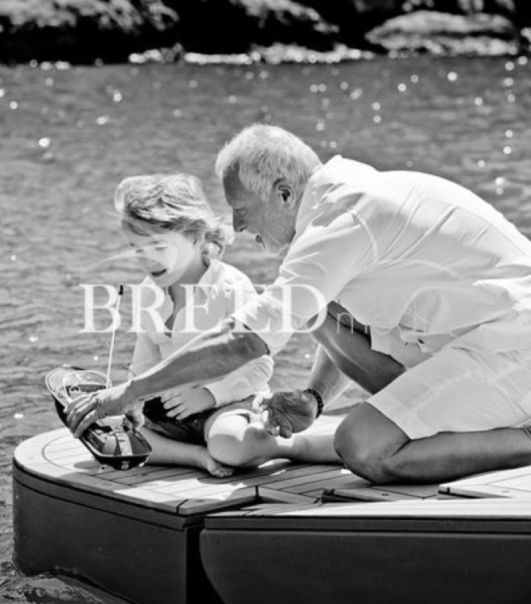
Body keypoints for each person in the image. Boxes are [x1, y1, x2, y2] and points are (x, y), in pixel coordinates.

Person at [68, 126, 531, 485]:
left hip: (511, 348)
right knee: (317, 308)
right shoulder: (344, 201)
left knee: (365, 446)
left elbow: (245, 340)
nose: (236, 226)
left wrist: (125, 394)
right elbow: (333, 322)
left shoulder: (343, 220)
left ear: (284, 193)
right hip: (475, 341)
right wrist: (314, 398)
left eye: (242, 208)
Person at [73, 172, 338, 477]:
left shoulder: (230, 286)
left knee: (228, 443)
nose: (147, 260)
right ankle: (195, 457)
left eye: (159, 247)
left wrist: (209, 395)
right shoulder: (149, 291)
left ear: (196, 237)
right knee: (102, 429)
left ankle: (297, 447)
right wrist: (129, 400)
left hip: (228, 405)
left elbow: (259, 367)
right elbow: (144, 362)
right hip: (170, 416)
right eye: (137, 249)